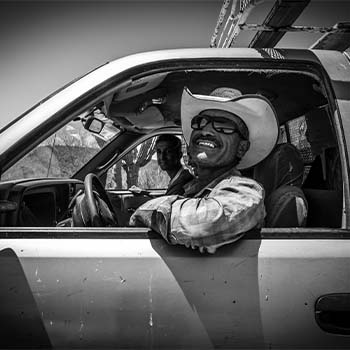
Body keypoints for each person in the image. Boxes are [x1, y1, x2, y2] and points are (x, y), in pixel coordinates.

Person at [130, 87, 279, 253]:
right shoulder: (193, 187)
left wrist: (145, 211)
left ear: (241, 148)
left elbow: (204, 224)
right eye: (200, 122)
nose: (206, 131)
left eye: (223, 125)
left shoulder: (246, 191)